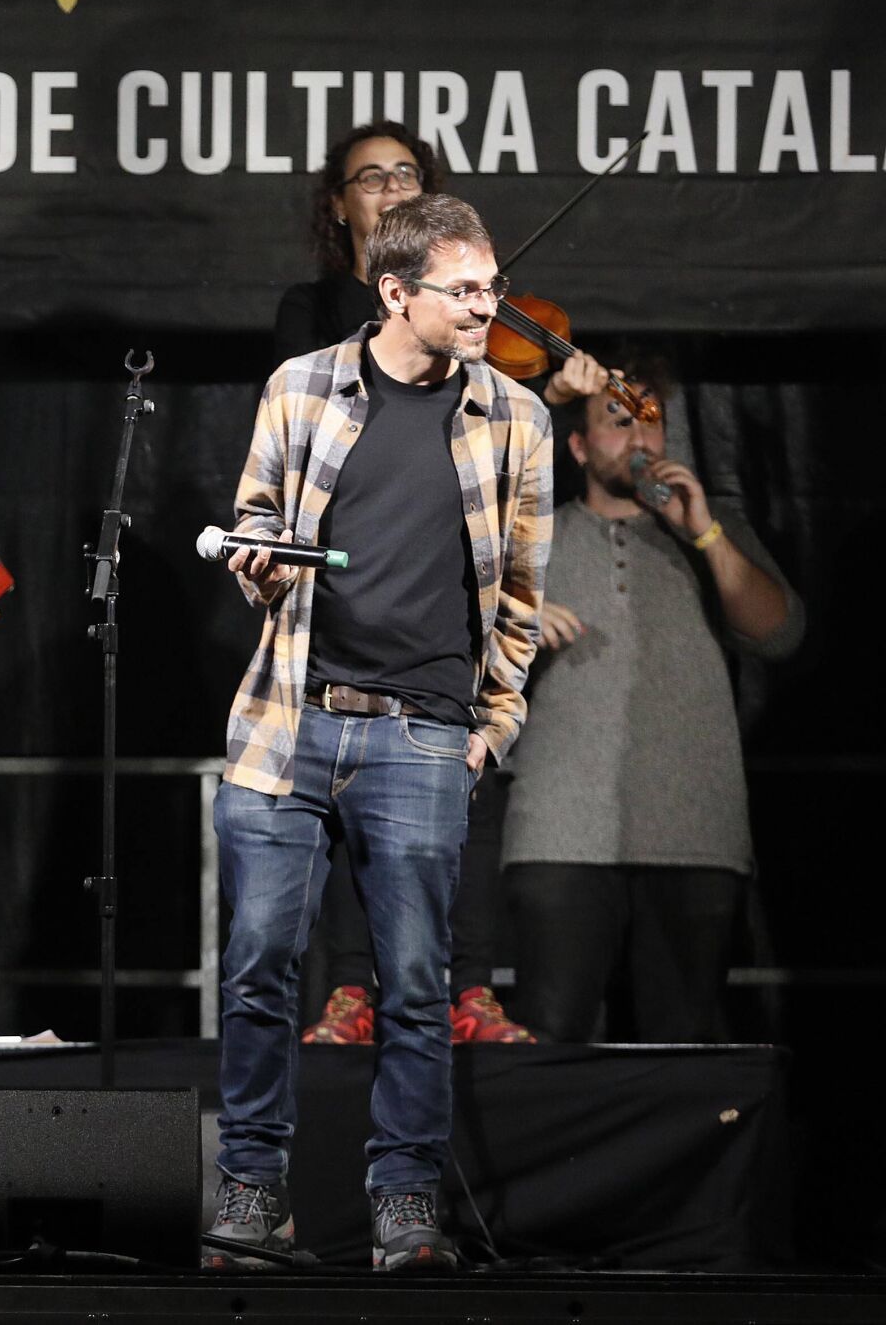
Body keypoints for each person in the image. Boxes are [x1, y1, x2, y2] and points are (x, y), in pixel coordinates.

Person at [207, 194, 552, 1270]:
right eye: (461, 288)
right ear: (393, 292)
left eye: (487, 284)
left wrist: (486, 730)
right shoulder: (301, 385)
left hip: (420, 737)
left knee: (414, 982)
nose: (482, 304)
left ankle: (403, 1201)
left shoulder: (513, 416)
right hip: (288, 722)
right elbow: (255, 517)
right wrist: (256, 565)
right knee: (259, 965)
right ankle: (252, 1193)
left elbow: (521, 602)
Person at [277, 123, 598, 1047]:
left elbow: (499, 430)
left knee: (468, 781)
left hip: (457, 588)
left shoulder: (479, 329)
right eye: (367, 179)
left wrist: (549, 387)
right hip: (360, 587)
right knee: (347, 793)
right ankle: (351, 989)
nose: (386, 188)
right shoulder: (313, 314)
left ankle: (470, 989)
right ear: (340, 208)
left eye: (404, 175)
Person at [501, 362, 802, 1042]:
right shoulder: (534, 538)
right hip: (559, 835)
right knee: (553, 1039)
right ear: (578, 447)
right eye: (618, 420)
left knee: (683, 1045)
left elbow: (779, 634)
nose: (639, 436)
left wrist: (707, 535)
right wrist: (518, 618)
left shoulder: (709, 529)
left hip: (693, 832)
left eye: (651, 420)